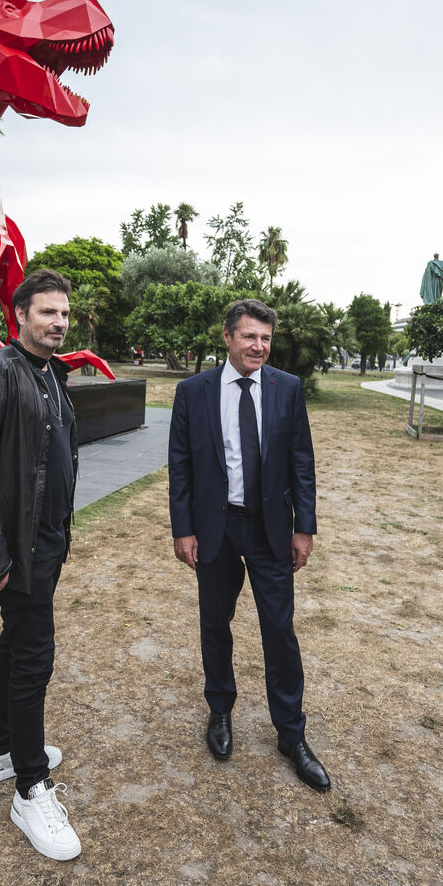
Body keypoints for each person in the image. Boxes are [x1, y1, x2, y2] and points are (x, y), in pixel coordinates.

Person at [168, 298, 329, 793]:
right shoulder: (193, 392)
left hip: (269, 530)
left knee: (279, 631)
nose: (258, 346)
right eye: (249, 336)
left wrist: (304, 528)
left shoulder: (287, 388)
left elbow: (302, 461)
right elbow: (181, 465)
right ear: (228, 337)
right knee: (215, 625)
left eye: (265, 338)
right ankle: (220, 711)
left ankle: (291, 734)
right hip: (214, 529)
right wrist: (182, 528)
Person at [0, 269, 81, 861]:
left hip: (47, 540)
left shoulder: (52, 373)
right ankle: (30, 787)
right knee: (34, 655)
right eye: (47, 312)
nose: (58, 322)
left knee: (16, 642)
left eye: (64, 313)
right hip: (15, 548)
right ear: (20, 315)